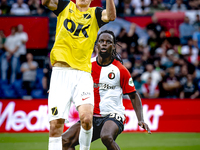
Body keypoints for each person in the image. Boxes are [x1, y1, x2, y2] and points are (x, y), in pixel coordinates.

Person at [41, 0, 116, 150]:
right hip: (60, 73)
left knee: (87, 119)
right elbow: (46, 2)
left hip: (82, 73)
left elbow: (111, 16)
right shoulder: (64, 6)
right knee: (56, 125)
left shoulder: (95, 13)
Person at [62, 30, 151, 150]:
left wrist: (140, 119)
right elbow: (72, 82)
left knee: (106, 137)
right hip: (91, 116)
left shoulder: (120, 70)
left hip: (113, 115)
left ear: (113, 47)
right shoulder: (87, 64)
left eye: (108, 42)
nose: (104, 44)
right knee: (64, 141)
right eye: (101, 41)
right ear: (97, 45)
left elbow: (134, 96)